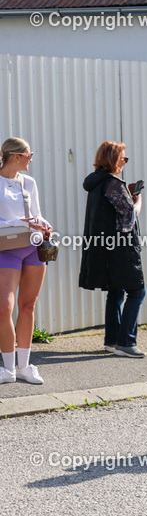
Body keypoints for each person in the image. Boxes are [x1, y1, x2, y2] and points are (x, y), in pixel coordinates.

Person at [79, 141, 147, 358]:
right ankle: (126, 342)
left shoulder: (98, 183)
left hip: (106, 248)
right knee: (137, 292)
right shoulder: (112, 184)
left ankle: (112, 342)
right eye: (122, 158)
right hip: (121, 248)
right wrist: (138, 203)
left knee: (116, 292)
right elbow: (128, 216)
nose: (125, 162)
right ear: (111, 159)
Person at [0, 138, 52, 384]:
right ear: (15, 156)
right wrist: (22, 223)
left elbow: (36, 215)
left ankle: (25, 366)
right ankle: (8, 368)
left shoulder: (29, 182)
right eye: (29, 154)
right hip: (6, 249)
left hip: (33, 246)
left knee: (28, 306)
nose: (31, 158)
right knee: (4, 309)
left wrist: (44, 224)